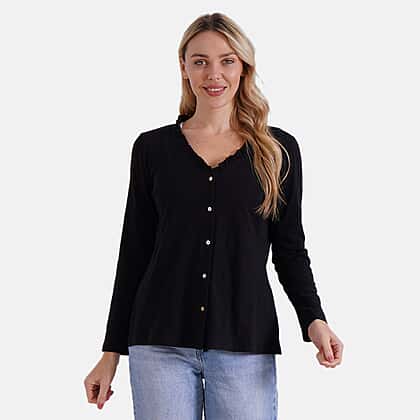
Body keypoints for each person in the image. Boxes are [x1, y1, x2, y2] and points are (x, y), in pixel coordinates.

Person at [84, 12, 343, 419]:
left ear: (243, 67)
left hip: (245, 341)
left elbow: (290, 250)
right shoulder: (152, 149)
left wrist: (314, 320)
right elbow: (134, 253)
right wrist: (110, 352)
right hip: (159, 343)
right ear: (183, 67)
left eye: (227, 60)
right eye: (200, 61)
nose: (213, 74)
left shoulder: (278, 151)